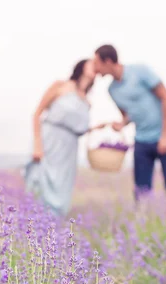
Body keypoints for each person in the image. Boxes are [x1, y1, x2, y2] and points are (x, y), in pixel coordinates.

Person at [93, 44, 166, 200]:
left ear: (107, 61)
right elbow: (129, 115)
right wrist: (121, 124)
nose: (95, 68)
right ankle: (143, 221)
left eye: (97, 63)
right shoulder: (112, 90)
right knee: (141, 192)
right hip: (142, 140)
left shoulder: (141, 72)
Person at [24, 59, 106, 217]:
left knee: (62, 188)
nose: (96, 66)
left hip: (69, 149)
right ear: (81, 67)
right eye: (92, 63)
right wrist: (37, 145)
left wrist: (96, 128)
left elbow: (78, 129)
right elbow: (37, 113)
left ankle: (53, 230)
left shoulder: (87, 101)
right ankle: (32, 226)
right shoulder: (60, 86)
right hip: (50, 141)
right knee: (41, 183)